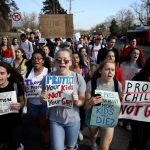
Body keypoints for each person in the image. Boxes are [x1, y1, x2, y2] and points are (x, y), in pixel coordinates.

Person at [40, 48, 86, 150]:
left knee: (71, 147)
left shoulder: (78, 78)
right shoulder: (48, 78)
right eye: (58, 60)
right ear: (55, 62)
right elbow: (42, 100)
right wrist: (43, 98)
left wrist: (78, 101)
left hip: (73, 119)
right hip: (55, 119)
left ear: (70, 62)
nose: (62, 62)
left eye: (65, 60)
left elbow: (83, 100)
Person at [84, 60, 122, 150]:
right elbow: (85, 107)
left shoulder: (117, 84)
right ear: (100, 71)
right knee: (93, 135)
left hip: (109, 119)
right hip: (92, 116)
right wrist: (90, 102)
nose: (110, 72)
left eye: (112, 70)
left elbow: (120, 102)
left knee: (104, 147)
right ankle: (93, 144)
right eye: (107, 69)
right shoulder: (92, 83)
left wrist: (124, 98)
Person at [24, 50, 50, 150]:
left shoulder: (48, 72)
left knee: (44, 125)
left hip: (45, 104)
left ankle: (46, 144)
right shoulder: (27, 74)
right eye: (34, 58)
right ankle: (44, 137)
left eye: (39, 58)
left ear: (43, 61)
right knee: (37, 123)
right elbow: (25, 90)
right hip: (32, 105)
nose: (36, 60)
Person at [0, 62, 25, 150]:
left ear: (8, 74)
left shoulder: (15, 86)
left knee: (13, 145)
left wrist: (19, 105)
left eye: (2, 73)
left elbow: (22, 102)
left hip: (14, 122)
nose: (0, 76)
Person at [128, 57, 150, 150]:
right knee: (137, 138)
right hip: (137, 114)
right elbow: (130, 94)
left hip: (149, 117)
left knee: (144, 141)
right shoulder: (139, 76)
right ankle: (132, 145)